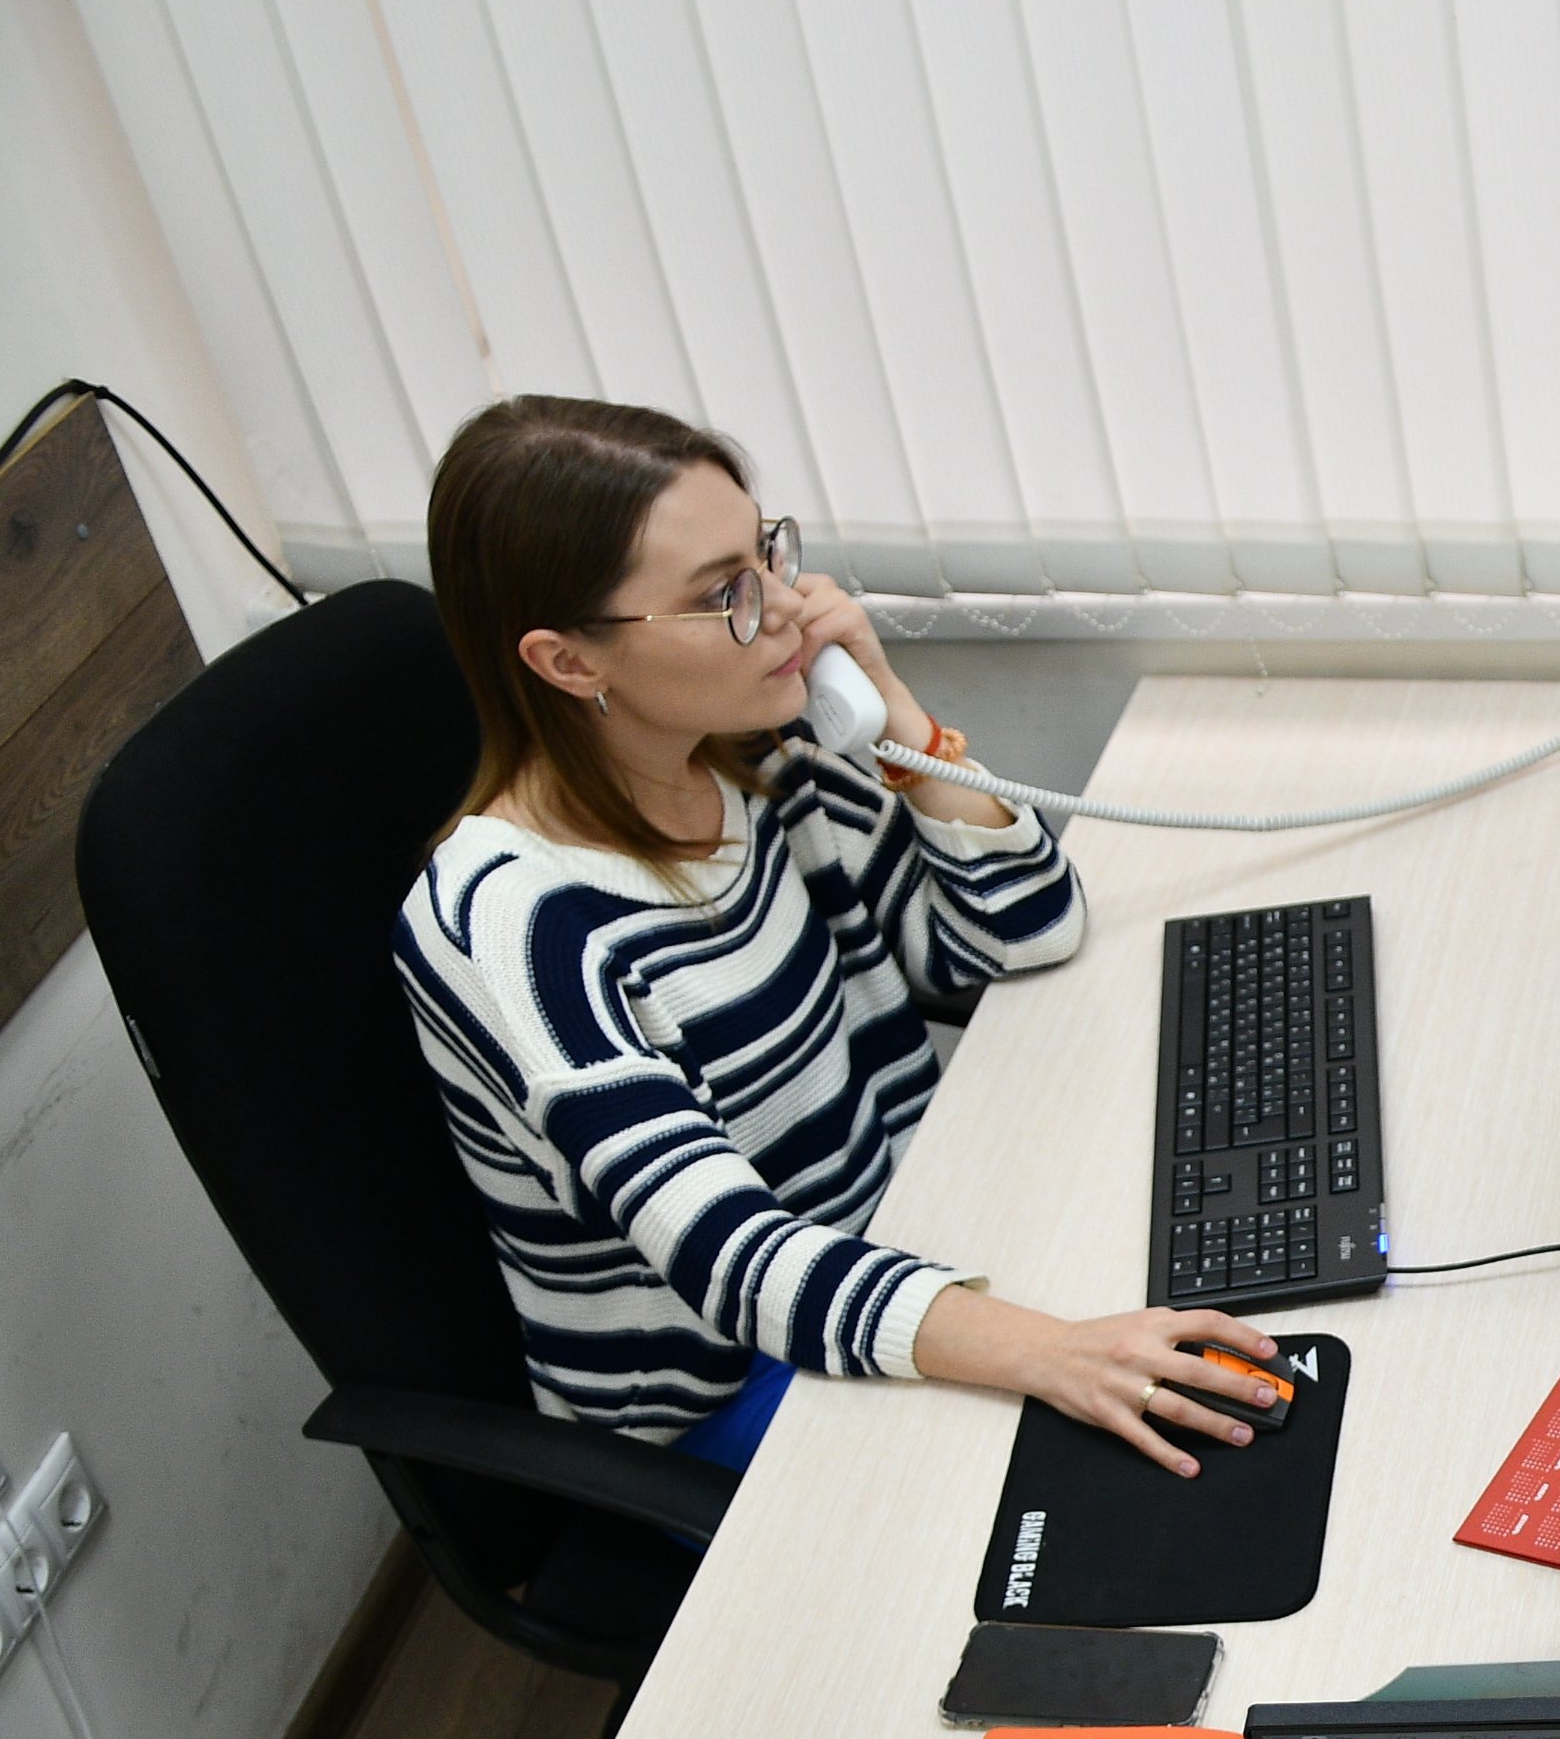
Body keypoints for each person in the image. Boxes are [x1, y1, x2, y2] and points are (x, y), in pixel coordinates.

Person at [395, 396, 1279, 1478]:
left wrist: (893, 714)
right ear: (570, 664)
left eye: (766, 554)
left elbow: (1025, 931)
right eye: (722, 595)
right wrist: (1052, 1352)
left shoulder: (764, 756)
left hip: (900, 1242)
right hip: (728, 1386)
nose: (788, 611)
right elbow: (737, 1265)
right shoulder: (509, 928)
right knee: (1138, 1464)